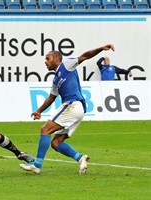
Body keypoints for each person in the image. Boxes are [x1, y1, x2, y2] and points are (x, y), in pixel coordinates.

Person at [20, 44, 115, 175]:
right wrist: (39, 111)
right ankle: (80, 158)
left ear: (56, 59)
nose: (45, 62)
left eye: (48, 58)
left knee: (45, 130)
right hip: (78, 110)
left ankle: (37, 165)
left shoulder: (67, 65)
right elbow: (51, 98)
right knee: (56, 143)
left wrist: (100, 49)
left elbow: (85, 55)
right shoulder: (56, 79)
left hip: (73, 105)